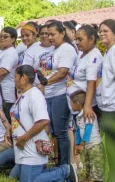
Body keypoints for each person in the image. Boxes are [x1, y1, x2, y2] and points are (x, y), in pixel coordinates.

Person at [9, 65, 77, 182]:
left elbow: (43, 121)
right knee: (14, 176)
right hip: (23, 148)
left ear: (23, 78)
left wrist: (24, 138)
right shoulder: (24, 95)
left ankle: (65, 170)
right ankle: (60, 173)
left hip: (31, 147)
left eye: (16, 76)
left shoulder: (34, 95)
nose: (14, 79)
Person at [37, 20, 78, 166]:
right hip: (50, 95)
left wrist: (45, 83)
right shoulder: (55, 50)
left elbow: (62, 72)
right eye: (48, 34)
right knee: (54, 131)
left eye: (53, 34)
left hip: (61, 94)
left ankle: (65, 165)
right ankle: (58, 162)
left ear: (62, 33)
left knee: (61, 132)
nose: (50, 37)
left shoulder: (66, 49)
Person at [67, 24, 103, 169]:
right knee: (82, 137)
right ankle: (87, 171)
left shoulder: (94, 56)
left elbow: (91, 82)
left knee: (91, 142)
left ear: (92, 38)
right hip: (79, 106)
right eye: (76, 39)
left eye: (80, 39)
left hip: (88, 106)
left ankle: (93, 174)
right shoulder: (81, 54)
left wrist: (87, 105)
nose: (77, 42)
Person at [96, 19, 115, 178]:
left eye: (105, 31)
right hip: (108, 107)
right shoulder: (109, 51)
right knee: (111, 149)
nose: (101, 34)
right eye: (100, 31)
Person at [70, 91, 104, 182]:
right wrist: (77, 144)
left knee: (96, 171)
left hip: (94, 146)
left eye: (71, 103)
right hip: (87, 147)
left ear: (77, 104)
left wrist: (81, 144)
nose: (70, 106)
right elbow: (78, 130)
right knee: (88, 169)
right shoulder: (78, 116)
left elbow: (88, 130)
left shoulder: (89, 113)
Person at [0, 27, 19, 121]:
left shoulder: (10, 53)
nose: (2, 38)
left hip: (6, 96)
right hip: (1, 94)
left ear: (13, 39)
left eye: (5, 36)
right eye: (0, 36)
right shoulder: (4, 52)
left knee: (6, 125)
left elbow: (3, 72)